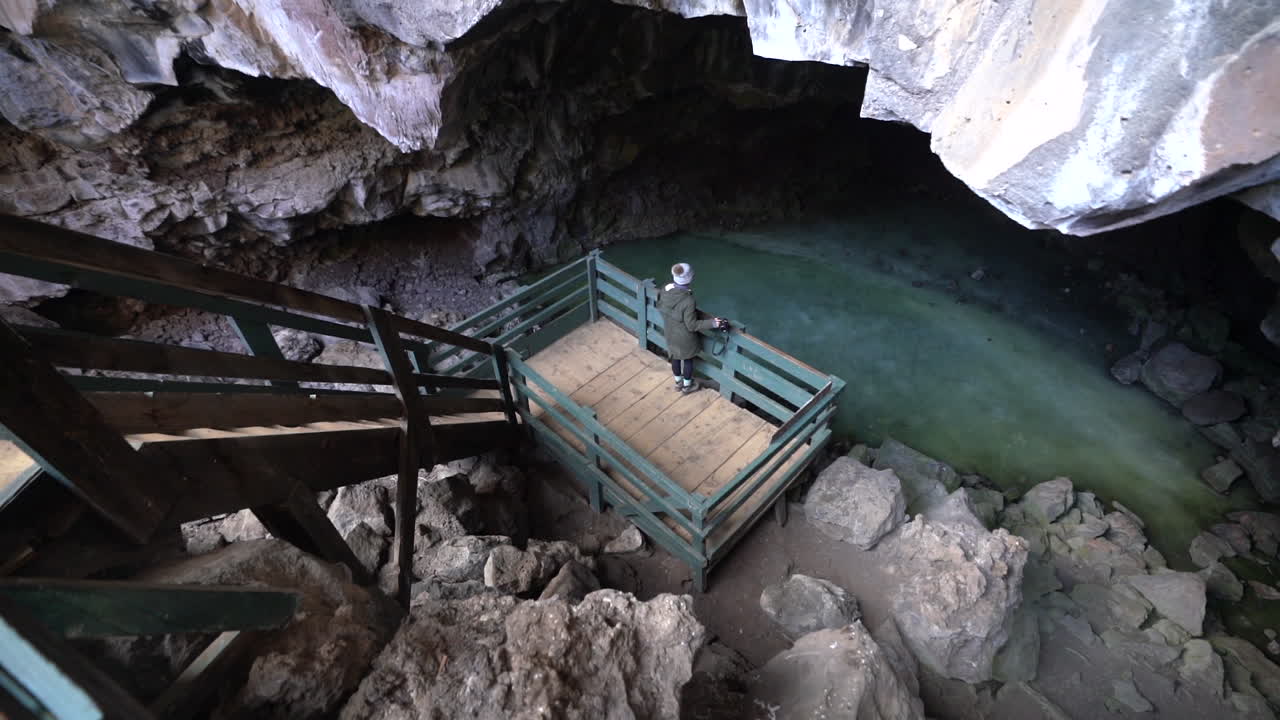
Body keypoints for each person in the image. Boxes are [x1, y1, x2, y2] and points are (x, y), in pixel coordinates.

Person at [655, 262, 728, 394]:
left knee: (675, 357)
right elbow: (692, 325)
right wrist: (714, 323)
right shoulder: (688, 301)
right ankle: (687, 386)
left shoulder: (665, 288)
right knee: (688, 361)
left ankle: (678, 383)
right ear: (689, 278)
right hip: (684, 338)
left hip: (670, 333)